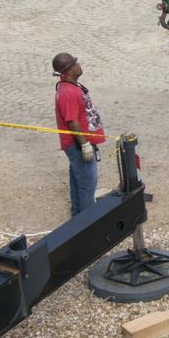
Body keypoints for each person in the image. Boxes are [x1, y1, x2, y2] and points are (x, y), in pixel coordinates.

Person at [51, 52, 106, 217]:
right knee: (87, 185)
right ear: (67, 72)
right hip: (77, 145)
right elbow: (72, 121)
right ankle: (88, 222)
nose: (78, 65)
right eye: (74, 64)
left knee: (78, 181)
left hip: (78, 143)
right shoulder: (68, 93)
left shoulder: (70, 87)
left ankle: (77, 218)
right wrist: (84, 144)